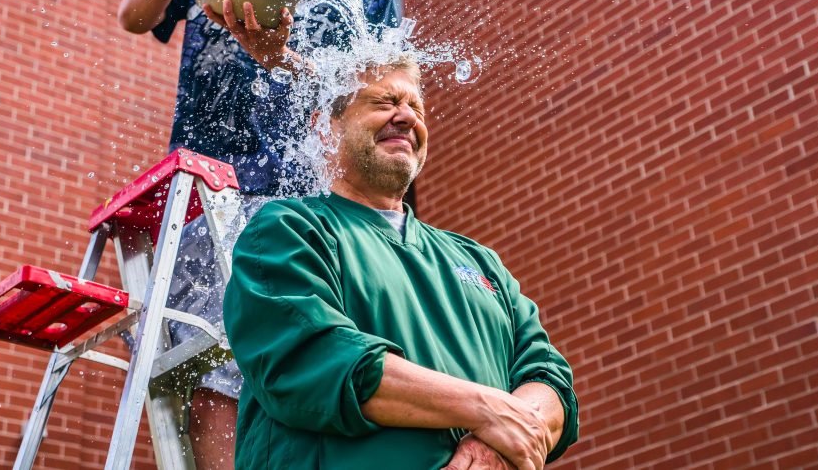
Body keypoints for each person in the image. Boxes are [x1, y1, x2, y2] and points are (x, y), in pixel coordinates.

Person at [116, 0, 398, 469]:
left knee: (311, 360)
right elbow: (134, 13)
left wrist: (281, 58)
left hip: (307, 196)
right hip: (213, 186)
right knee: (220, 357)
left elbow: (361, 93)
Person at [223, 57, 579, 470]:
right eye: (385, 101)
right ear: (326, 128)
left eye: (418, 109)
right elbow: (313, 357)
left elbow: (549, 378)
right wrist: (485, 408)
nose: (407, 116)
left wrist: (493, 451)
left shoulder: (480, 260)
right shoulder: (290, 229)